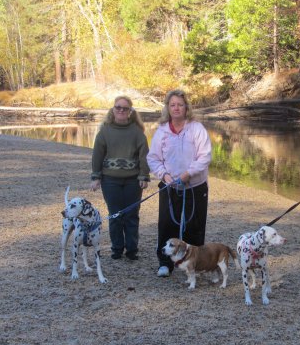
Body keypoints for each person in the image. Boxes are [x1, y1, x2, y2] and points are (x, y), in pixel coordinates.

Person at [147, 89, 212, 277]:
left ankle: (195, 264)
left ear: (186, 108)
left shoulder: (197, 128)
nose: (176, 108)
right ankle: (165, 263)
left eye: (180, 105)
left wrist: (188, 174)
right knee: (167, 224)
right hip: (169, 186)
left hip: (195, 186)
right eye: (173, 105)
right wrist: (164, 175)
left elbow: (205, 156)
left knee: (194, 225)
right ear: (168, 107)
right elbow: (153, 159)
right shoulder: (161, 131)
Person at [90, 95, 150, 260]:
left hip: (132, 181)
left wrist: (143, 176)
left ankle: (132, 250)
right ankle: (117, 248)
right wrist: (96, 177)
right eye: (118, 107)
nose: (121, 110)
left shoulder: (137, 133)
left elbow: (144, 156)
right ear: (113, 109)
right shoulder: (105, 131)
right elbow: (97, 155)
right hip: (110, 180)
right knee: (115, 215)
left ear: (130, 111)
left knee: (131, 215)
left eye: (125, 108)